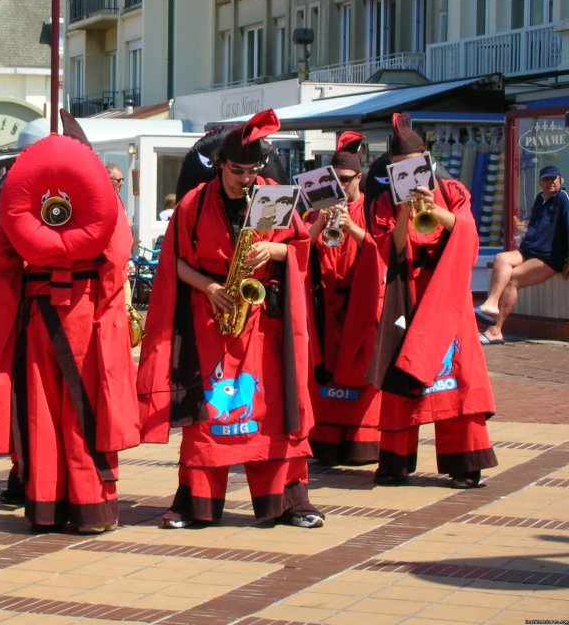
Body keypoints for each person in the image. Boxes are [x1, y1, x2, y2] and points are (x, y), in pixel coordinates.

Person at [138, 110, 325, 530]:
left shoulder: (273, 197)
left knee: (274, 413)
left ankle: (289, 504)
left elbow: (298, 247)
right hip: (212, 322)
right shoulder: (193, 203)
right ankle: (196, 505)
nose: (245, 179)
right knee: (208, 419)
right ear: (221, 164)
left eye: (252, 170)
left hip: (263, 323)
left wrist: (273, 252)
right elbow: (176, 263)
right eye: (237, 170)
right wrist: (207, 287)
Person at [0, 133, 140, 533]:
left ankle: (46, 505)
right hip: (85, 312)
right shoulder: (103, 198)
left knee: (43, 410)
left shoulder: (24, 196)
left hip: (37, 315)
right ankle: (90, 508)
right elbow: (118, 255)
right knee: (85, 408)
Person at [367, 113, 497, 489]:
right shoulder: (384, 203)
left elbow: (468, 233)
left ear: (425, 160)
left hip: (447, 290)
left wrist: (432, 208)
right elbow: (387, 248)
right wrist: (406, 214)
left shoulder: (452, 189)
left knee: (458, 375)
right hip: (408, 291)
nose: (404, 173)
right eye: (396, 168)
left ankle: (464, 463)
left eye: (410, 166)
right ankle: (395, 462)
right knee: (401, 374)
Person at [305, 132, 384, 466]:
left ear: (359, 178)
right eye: (334, 180)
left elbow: (383, 252)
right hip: (325, 305)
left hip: (358, 303)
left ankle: (361, 441)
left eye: (346, 180)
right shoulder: (319, 210)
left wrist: (350, 227)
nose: (340, 186)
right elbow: (297, 249)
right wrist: (320, 221)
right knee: (324, 369)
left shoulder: (371, 209)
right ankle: (324, 440)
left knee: (358, 368)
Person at [477, 165, 569, 344]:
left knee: (514, 278)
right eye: (546, 179)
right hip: (529, 251)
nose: (551, 182)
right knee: (501, 258)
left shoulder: (563, 198)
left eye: (554, 179)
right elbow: (538, 229)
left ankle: (496, 330)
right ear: (540, 182)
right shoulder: (540, 199)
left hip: (549, 258)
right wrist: (522, 228)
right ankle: (491, 303)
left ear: (560, 180)